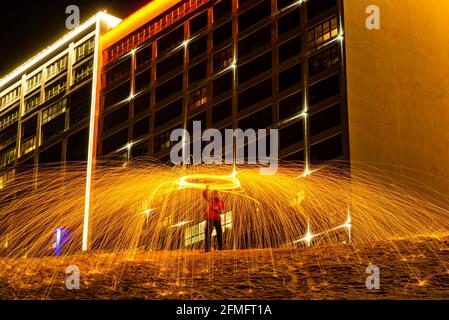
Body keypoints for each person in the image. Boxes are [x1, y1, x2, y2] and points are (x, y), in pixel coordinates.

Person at [203, 186, 224, 252]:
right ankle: (207, 249)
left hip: (217, 219)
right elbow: (205, 195)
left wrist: (217, 210)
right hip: (209, 219)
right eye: (215, 194)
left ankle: (220, 248)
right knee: (207, 233)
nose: (216, 195)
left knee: (219, 233)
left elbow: (221, 211)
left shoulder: (221, 202)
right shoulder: (210, 200)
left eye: (217, 194)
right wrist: (206, 189)